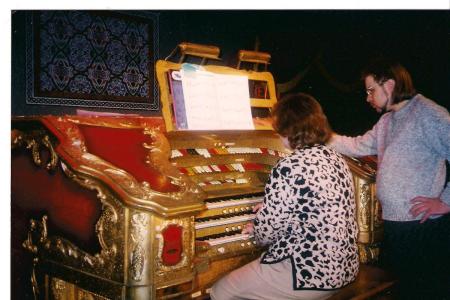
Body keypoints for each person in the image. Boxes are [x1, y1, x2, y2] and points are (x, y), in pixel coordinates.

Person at [210, 93, 359, 300]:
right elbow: (313, 204)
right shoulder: (335, 158)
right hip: (343, 268)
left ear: (289, 129)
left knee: (221, 291)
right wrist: (274, 207)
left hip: (309, 274)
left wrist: (257, 226)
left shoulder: (289, 166)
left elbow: (266, 235)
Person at [329, 59, 450, 299]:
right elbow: (357, 145)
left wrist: (446, 201)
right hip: (396, 225)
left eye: (371, 90)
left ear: (390, 85)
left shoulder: (428, 114)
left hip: (421, 227)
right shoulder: (386, 121)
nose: (368, 97)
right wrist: (318, 135)